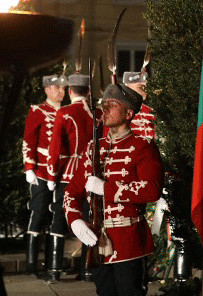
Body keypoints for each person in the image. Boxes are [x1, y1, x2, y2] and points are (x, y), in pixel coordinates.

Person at [63, 82, 164, 296]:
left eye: (113, 104)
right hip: (97, 242)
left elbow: (152, 189)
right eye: (104, 104)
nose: (105, 109)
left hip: (129, 242)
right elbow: (71, 193)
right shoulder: (92, 148)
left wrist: (107, 189)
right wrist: (75, 221)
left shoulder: (142, 146)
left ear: (128, 113)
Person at [46, 72, 101, 281]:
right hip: (92, 173)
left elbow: (56, 148)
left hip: (69, 172)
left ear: (69, 91)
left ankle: (54, 269)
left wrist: (52, 174)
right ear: (88, 91)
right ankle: (87, 269)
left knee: (60, 218)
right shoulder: (97, 113)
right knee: (88, 217)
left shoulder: (65, 112)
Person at [22, 74, 66, 276]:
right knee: (38, 213)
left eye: (63, 89)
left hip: (60, 172)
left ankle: (53, 264)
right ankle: (31, 264)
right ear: (47, 89)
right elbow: (29, 140)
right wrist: (29, 167)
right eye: (57, 88)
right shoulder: (37, 111)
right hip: (40, 171)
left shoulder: (66, 112)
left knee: (57, 216)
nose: (61, 92)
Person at [122, 71, 155, 140]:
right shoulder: (120, 112)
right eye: (140, 87)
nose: (144, 90)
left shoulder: (151, 111)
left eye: (145, 87)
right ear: (127, 87)